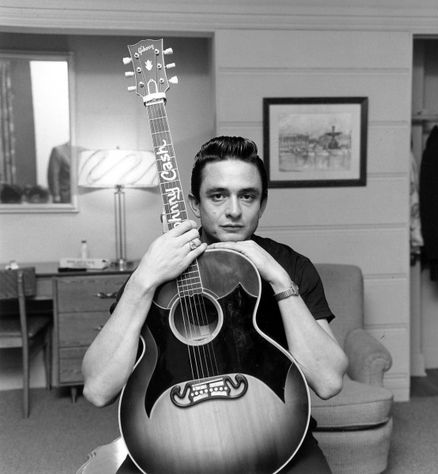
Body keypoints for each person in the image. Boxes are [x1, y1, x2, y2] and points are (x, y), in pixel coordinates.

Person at [82, 136, 348, 473]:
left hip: (274, 434)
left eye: (247, 196)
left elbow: (328, 381)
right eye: (218, 195)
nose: (234, 210)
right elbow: (97, 389)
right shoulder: (156, 269)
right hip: (169, 440)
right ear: (195, 204)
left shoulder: (289, 266)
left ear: (262, 204)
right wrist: (143, 280)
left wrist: (278, 279)